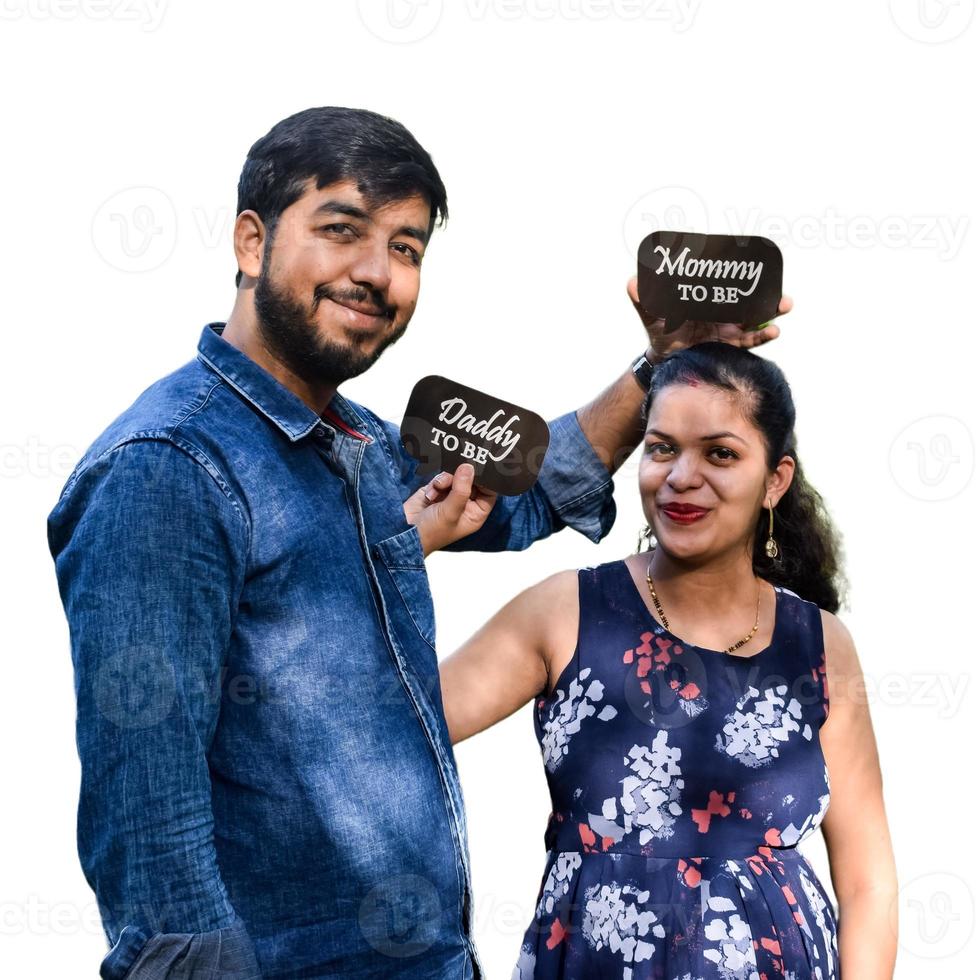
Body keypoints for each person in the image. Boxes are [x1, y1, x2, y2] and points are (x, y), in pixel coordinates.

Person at [45, 105, 787, 979]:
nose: (375, 272)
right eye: (341, 229)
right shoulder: (168, 468)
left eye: (406, 247)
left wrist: (658, 363)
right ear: (251, 242)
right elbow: (148, 819)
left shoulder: (354, 441)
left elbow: (522, 493)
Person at [436, 342, 898, 979]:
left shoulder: (819, 646)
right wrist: (410, 546)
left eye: (720, 454)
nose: (681, 475)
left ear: (775, 481)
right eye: (661, 448)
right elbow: (392, 726)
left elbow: (869, 879)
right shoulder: (566, 611)